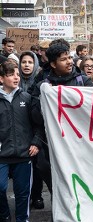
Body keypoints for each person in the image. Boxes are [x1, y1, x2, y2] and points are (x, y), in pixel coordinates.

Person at [30, 43, 93, 222]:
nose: (69, 61)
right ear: (52, 63)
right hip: (53, 148)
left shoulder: (83, 81)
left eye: (69, 57)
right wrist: (44, 99)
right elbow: (36, 118)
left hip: (81, 146)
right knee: (62, 188)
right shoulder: (41, 85)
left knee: (79, 187)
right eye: (64, 58)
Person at [0, 60, 43, 222]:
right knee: (0, 188)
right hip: (2, 156)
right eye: (11, 75)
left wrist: (35, 142)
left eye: (17, 74)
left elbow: (38, 125)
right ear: (1, 79)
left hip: (24, 155)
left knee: (22, 193)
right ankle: (4, 217)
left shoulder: (27, 97)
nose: (16, 77)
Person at [18, 51, 45, 210]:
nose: (27, 65)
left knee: (38, 166)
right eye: (23, 62)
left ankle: (37, 196)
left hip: (36, 130)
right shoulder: (13, 81)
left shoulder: (41, 82)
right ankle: (25, 196)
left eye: (30, 62)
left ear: (35, 64)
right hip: (19, 130)